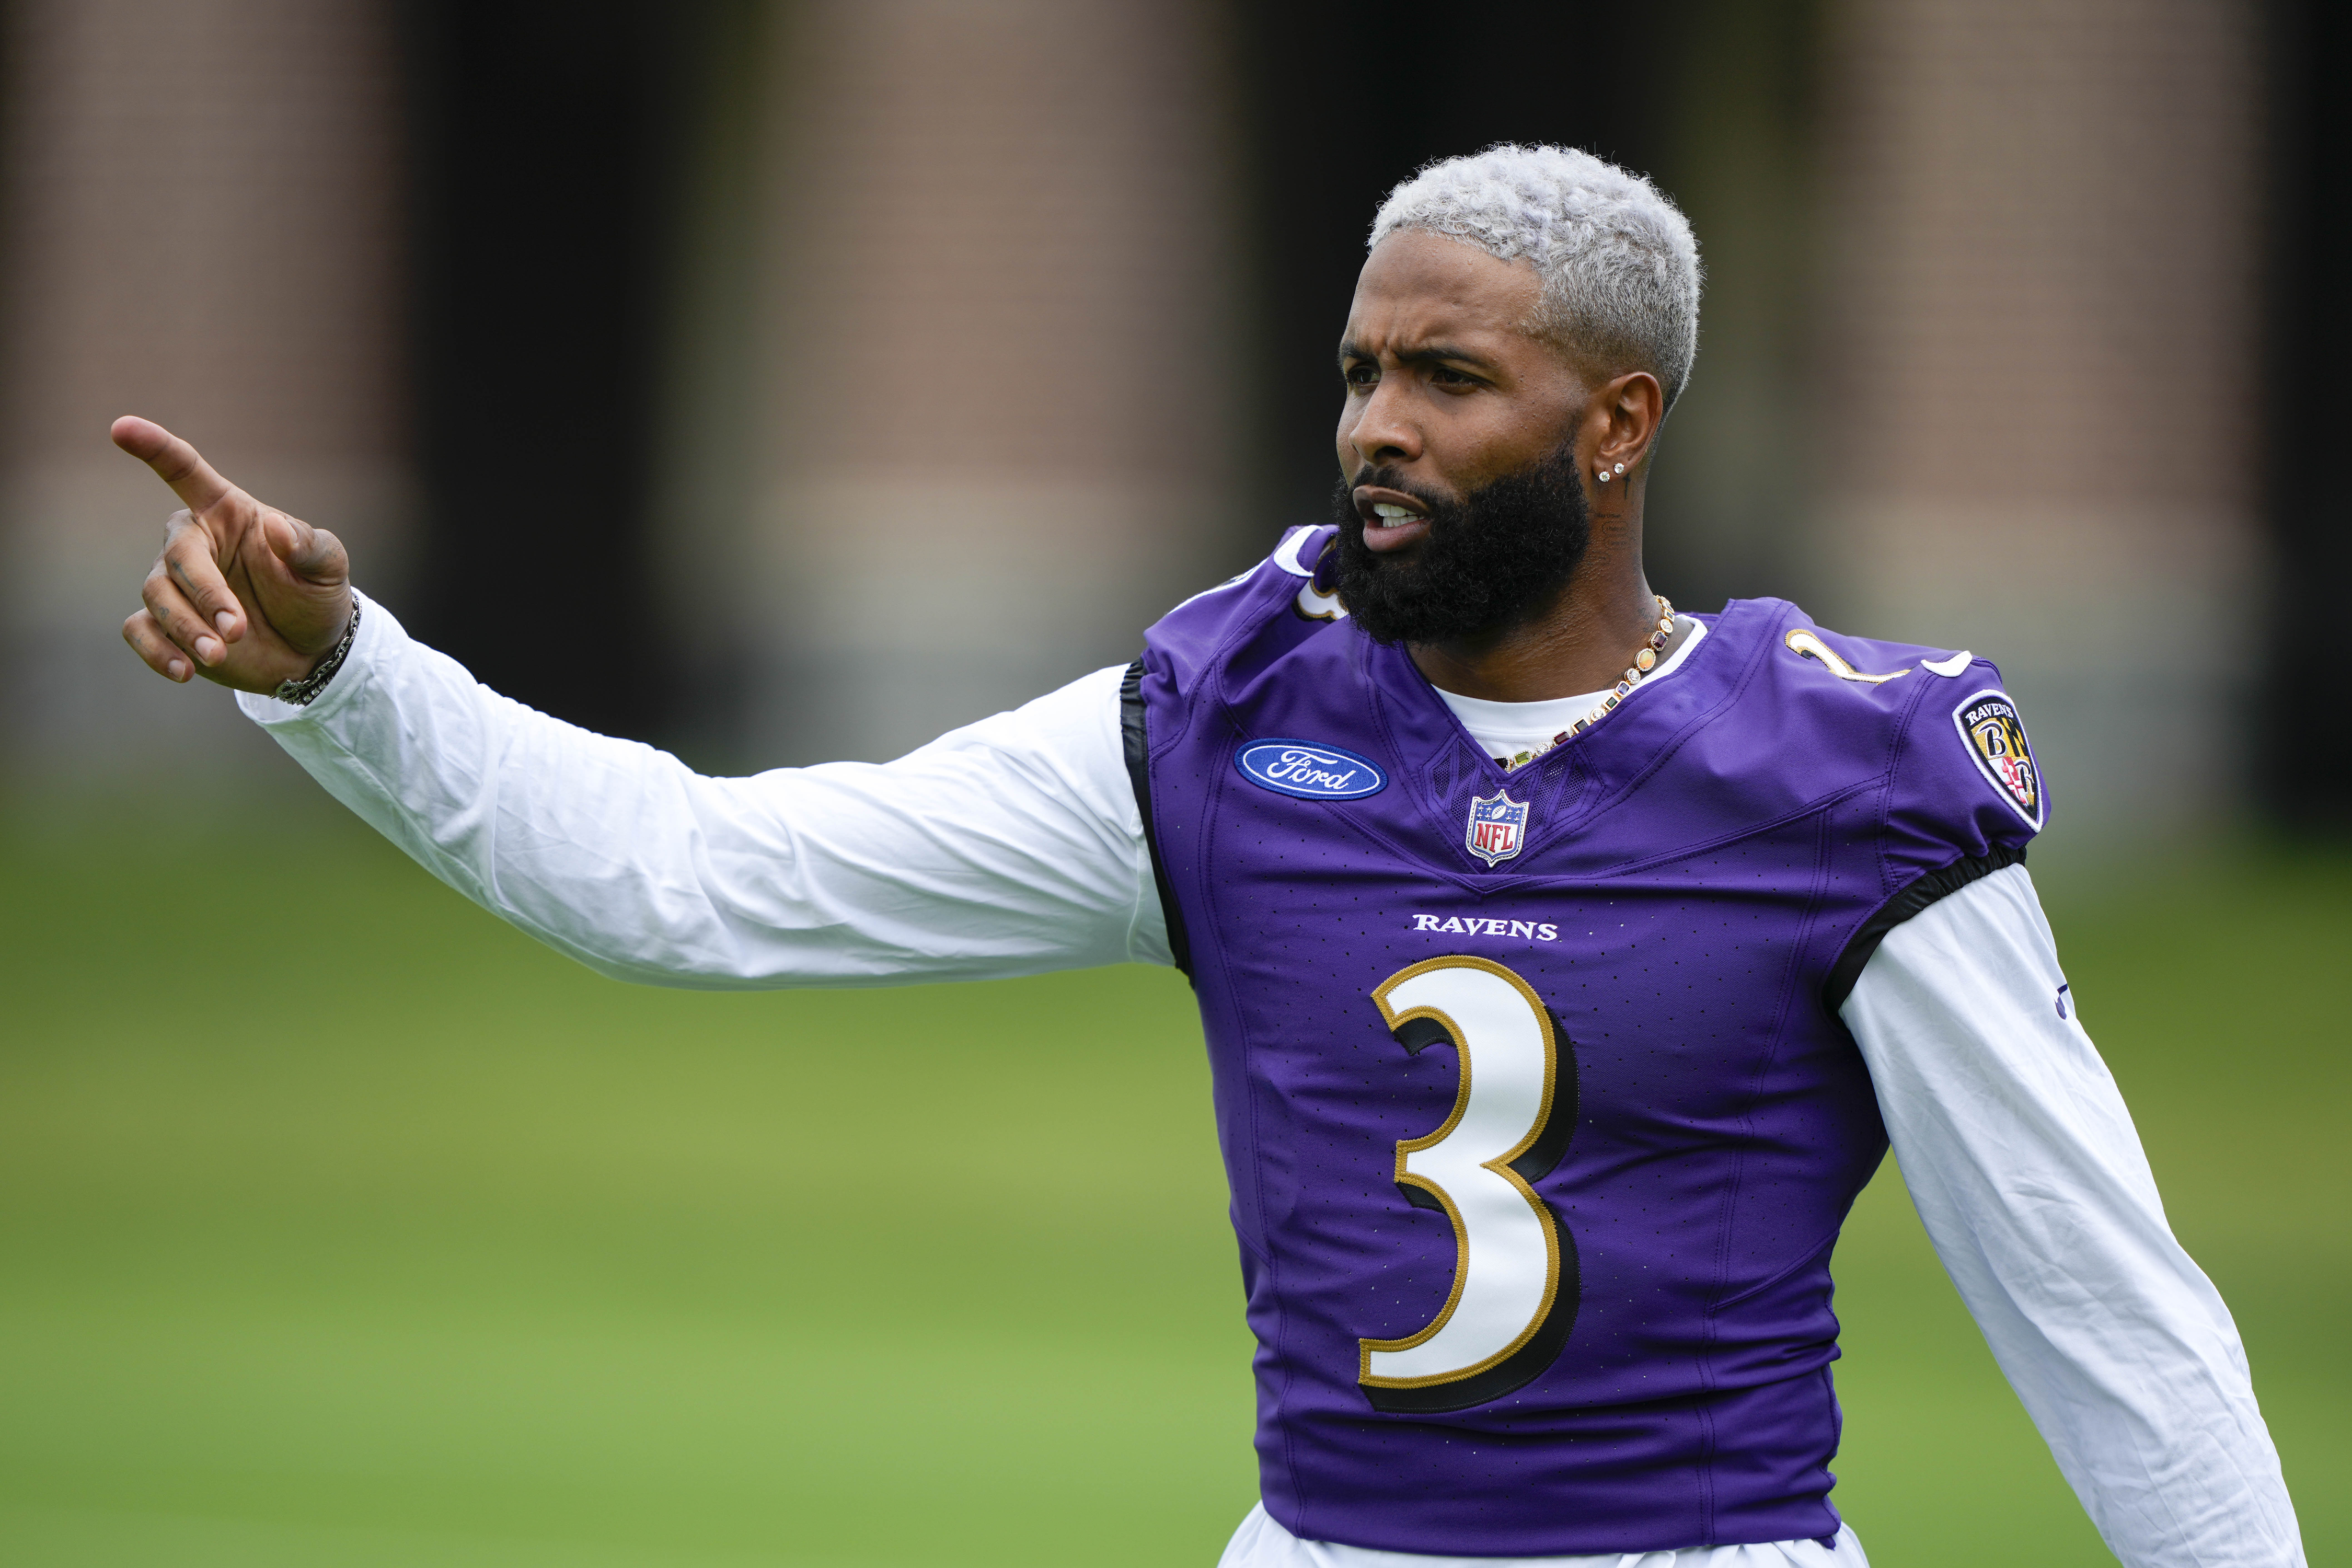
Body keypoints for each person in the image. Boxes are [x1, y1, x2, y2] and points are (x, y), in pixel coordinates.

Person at [115, 145, 2300, 1568]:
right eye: (1362, 372)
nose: (1377, 426)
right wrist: (347, 674)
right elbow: (698, 880)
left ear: (1620, 424)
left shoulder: (1842, 776)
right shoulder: (1233, 721)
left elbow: (2105, 1308)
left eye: (1452, 378)